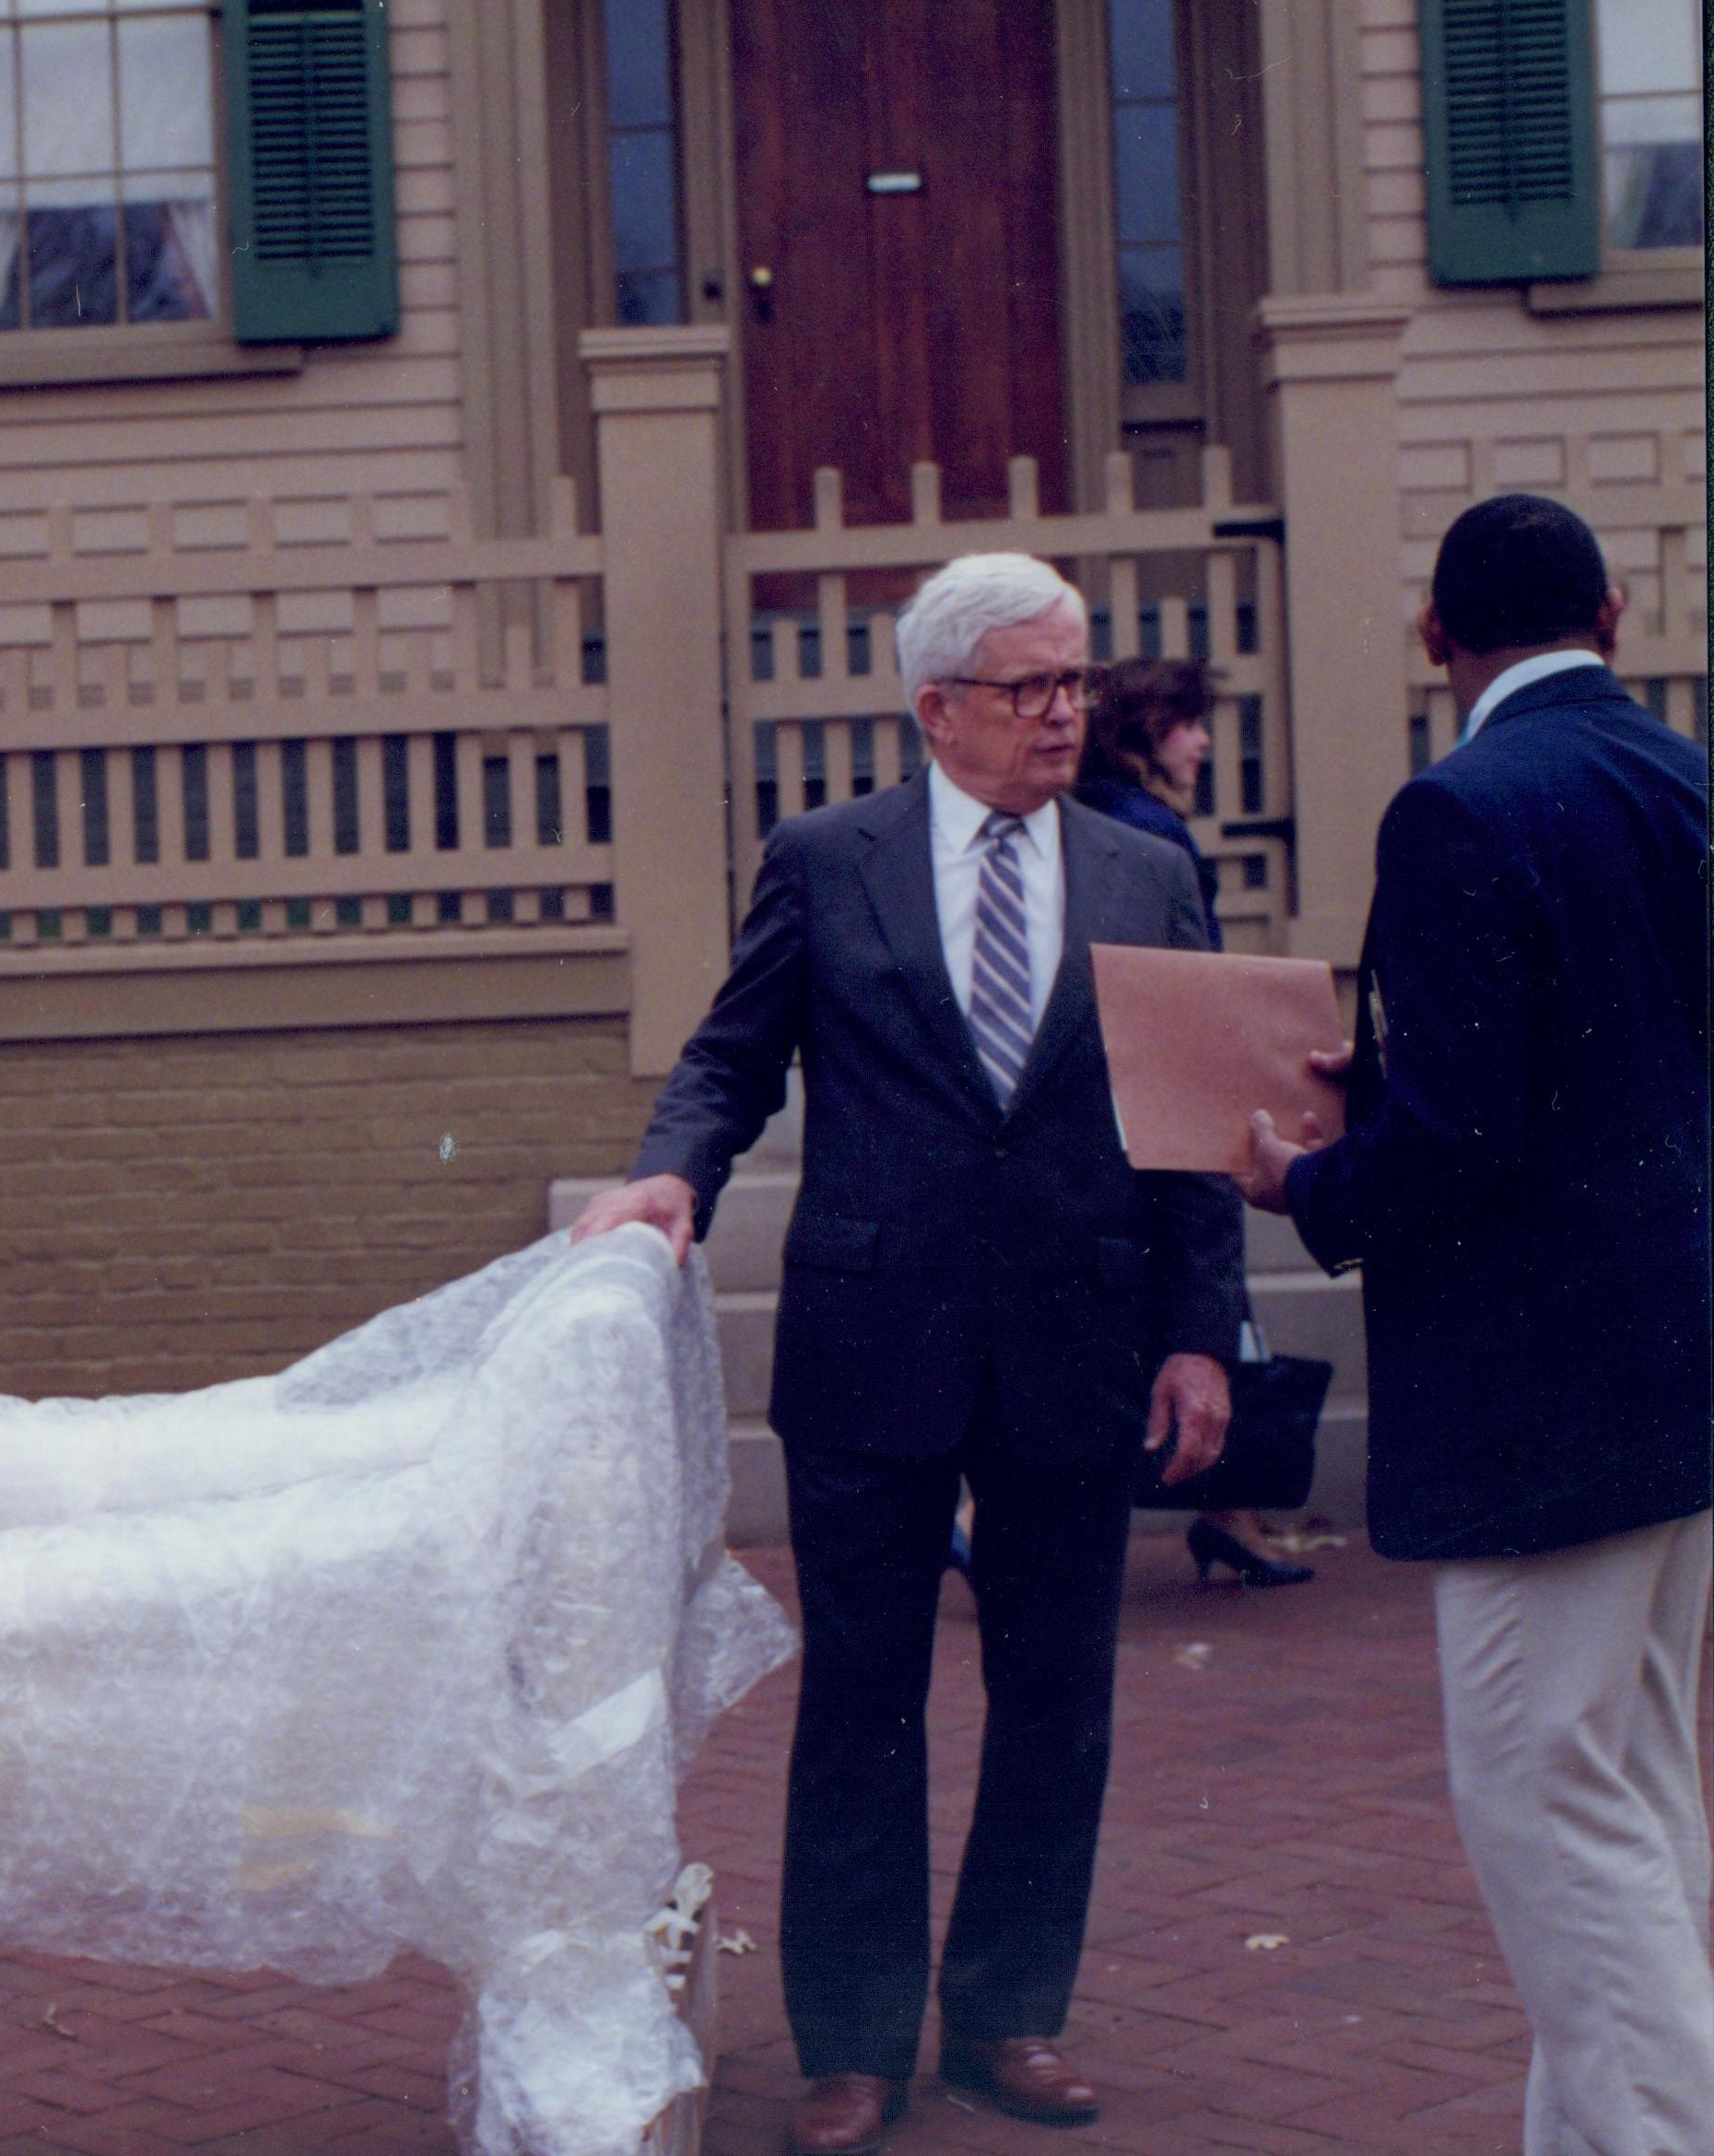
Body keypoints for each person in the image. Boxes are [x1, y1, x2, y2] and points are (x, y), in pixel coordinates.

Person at [577, 554, 1241, 2156]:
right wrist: (672, 1172)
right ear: (935, 707)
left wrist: (1196, 1338)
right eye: (1028, 688)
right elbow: (732, 1058)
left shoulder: (1148, 873)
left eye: (1076, 680)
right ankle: (856, 2043)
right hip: (876, 1341)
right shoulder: (827, 861)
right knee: (862, 1700)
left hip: (1078, 1342)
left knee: (1056, 1694)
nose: (1065, 712)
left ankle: (1009, 2017)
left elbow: (1198, 1128)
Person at [1242, 493, 1711, 2156]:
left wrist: (1303, 1183)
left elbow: (1460, 1141)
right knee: (1638, 1774)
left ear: (1435, 641)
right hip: (1679, 1361)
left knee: (1545, 1796)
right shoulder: (1683, 776)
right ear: (1616, 612)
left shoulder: (1455, 811)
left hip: (1542, 1394)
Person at [1074, 661, 1310, 1589]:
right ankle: (1229, 1511)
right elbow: (1190, 986)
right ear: (1140, 733)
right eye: (1183, 725)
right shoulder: (1148, 835)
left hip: (1099, 1108)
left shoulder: (1082, 819)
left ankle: (1232, 1513)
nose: (1201, 742)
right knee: (1200, 1298)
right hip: (1154, 1105)